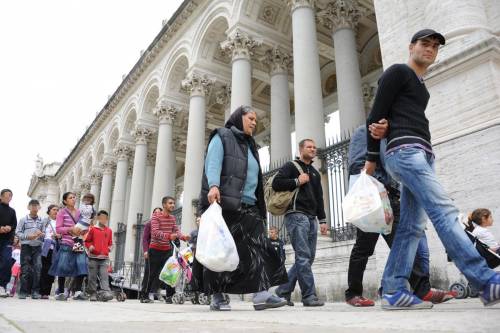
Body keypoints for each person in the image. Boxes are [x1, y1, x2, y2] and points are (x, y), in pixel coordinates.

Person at [364, 28, 500, 309]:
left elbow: (391, 116)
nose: (430, 49)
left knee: (412, 227)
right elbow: (376, 114)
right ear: (411, 46)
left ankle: (393, 290)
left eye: (435, 46)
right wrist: (370, 159)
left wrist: (388, 125)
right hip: (404, 152)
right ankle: (486, 281)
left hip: (422, 154)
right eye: (425, 44)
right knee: (446, 213)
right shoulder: (398, 72)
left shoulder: (420, 87)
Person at [345, 125, 455, 307]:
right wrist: (377, 186)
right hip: (373, 197)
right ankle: (353, 293)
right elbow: (357, 164)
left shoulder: (391, 132)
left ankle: (422, 289)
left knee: (401, 242)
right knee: (364, 248)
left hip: (391, 194)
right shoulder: (363, 131)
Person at [198, 105, 288, 311]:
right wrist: (213, 185)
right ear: (239, 118)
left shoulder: (250, 145)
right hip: (226, 203)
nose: (255, 123)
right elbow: (213, 162)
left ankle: (261, 294)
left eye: (256, 120)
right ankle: (218, 295)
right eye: (251, 118)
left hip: (250, 205)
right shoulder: (223, 136)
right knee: (220, 250)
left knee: (258, 247)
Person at [272, 139, 328, 307]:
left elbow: (319, 197)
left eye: (314, 147)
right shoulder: (291, 166)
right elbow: (276, 183)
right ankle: (309, 296)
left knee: (307, 258)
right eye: (309, 147)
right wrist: (297, 181)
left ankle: (282, 291)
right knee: (303, 257)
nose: (313, 149)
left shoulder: (315, 173)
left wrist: (323, 219)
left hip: (311, 219)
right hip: (296, 215)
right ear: (301, 149)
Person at [139, 197, 189, 303]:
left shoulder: (172, 218)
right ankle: (144, 296)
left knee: (170, 272)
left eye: (173, 203)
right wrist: (168, 236)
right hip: (155, 249)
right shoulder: (156, 217)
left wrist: (183, 237)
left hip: (167, 250)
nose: (172, 205)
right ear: (164, 205)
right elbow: (155, 232)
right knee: (151, 274)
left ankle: (170, 296)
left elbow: (176, 230)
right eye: (170, 203)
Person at [49, 192, 88, 301]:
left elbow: (85, 228)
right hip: (66, 243)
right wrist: (70, 229)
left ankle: (78, 292)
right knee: (62, 267)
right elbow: (58, 229)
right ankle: (61, 291)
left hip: (79, 242)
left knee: (82, 266)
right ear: (65, 201)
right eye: (70, 198)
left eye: (74, 197)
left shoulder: (80, 213)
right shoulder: (61, 212)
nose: (73, 199)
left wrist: (83, 229)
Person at [15, 199, 45, 299]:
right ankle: (23, 291)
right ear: (28, 207)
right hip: (26, 246)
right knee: (25, 269)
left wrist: (41, 234)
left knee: (38, 268)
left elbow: (44, 233)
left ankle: (35, 291)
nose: (34, 207)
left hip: (37, 247)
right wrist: (28, 237)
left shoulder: (42, 220)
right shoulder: (23, 219)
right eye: (32, 205)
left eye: (36, 205)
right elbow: (18, 232)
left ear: (39, 207)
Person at [84, 210, 113, 302]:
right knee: (92, 276)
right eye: (101, 218)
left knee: (104, 276)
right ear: (98, 218)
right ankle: (92, 293)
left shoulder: (109, 230)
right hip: (93, 257)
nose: (103, 219)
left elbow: (110, 243)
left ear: (107, 219)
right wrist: (90, 246)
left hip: (104, 258)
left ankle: (105, 292)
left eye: (105, 218)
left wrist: (108, 249)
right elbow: (87, 241)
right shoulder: (93, 229)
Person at [140, 207, 166, 301]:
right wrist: (145, 250)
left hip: (162, 252)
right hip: (151, 252)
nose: (157, 214)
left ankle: (155, 292)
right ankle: (144, 294)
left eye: (159, 213)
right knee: (149, 273)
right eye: (155, 213)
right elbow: (145, 239)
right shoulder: (149, 224)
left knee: (159, 273)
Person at [40, 204, 60, 299]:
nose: (56, 211)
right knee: (44, 269)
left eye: (57, 210)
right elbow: (39, 232)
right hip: (45, 247)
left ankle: (46, 292)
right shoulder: (44, 221)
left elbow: (63, 234)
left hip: (56, 248)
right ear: (49, 211)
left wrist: (58, 236)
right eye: (54, 209)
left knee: (52, 270)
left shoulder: (60, 222)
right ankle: (41, 291)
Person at [0, 189, 17, 298]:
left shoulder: (12, 211)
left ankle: (2, 285)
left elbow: (14, 225)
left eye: (10, 196)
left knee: (6, 262)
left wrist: (9, 227)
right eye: (6, 195)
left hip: (7, 240)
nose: (8, 197)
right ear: (1, 196)